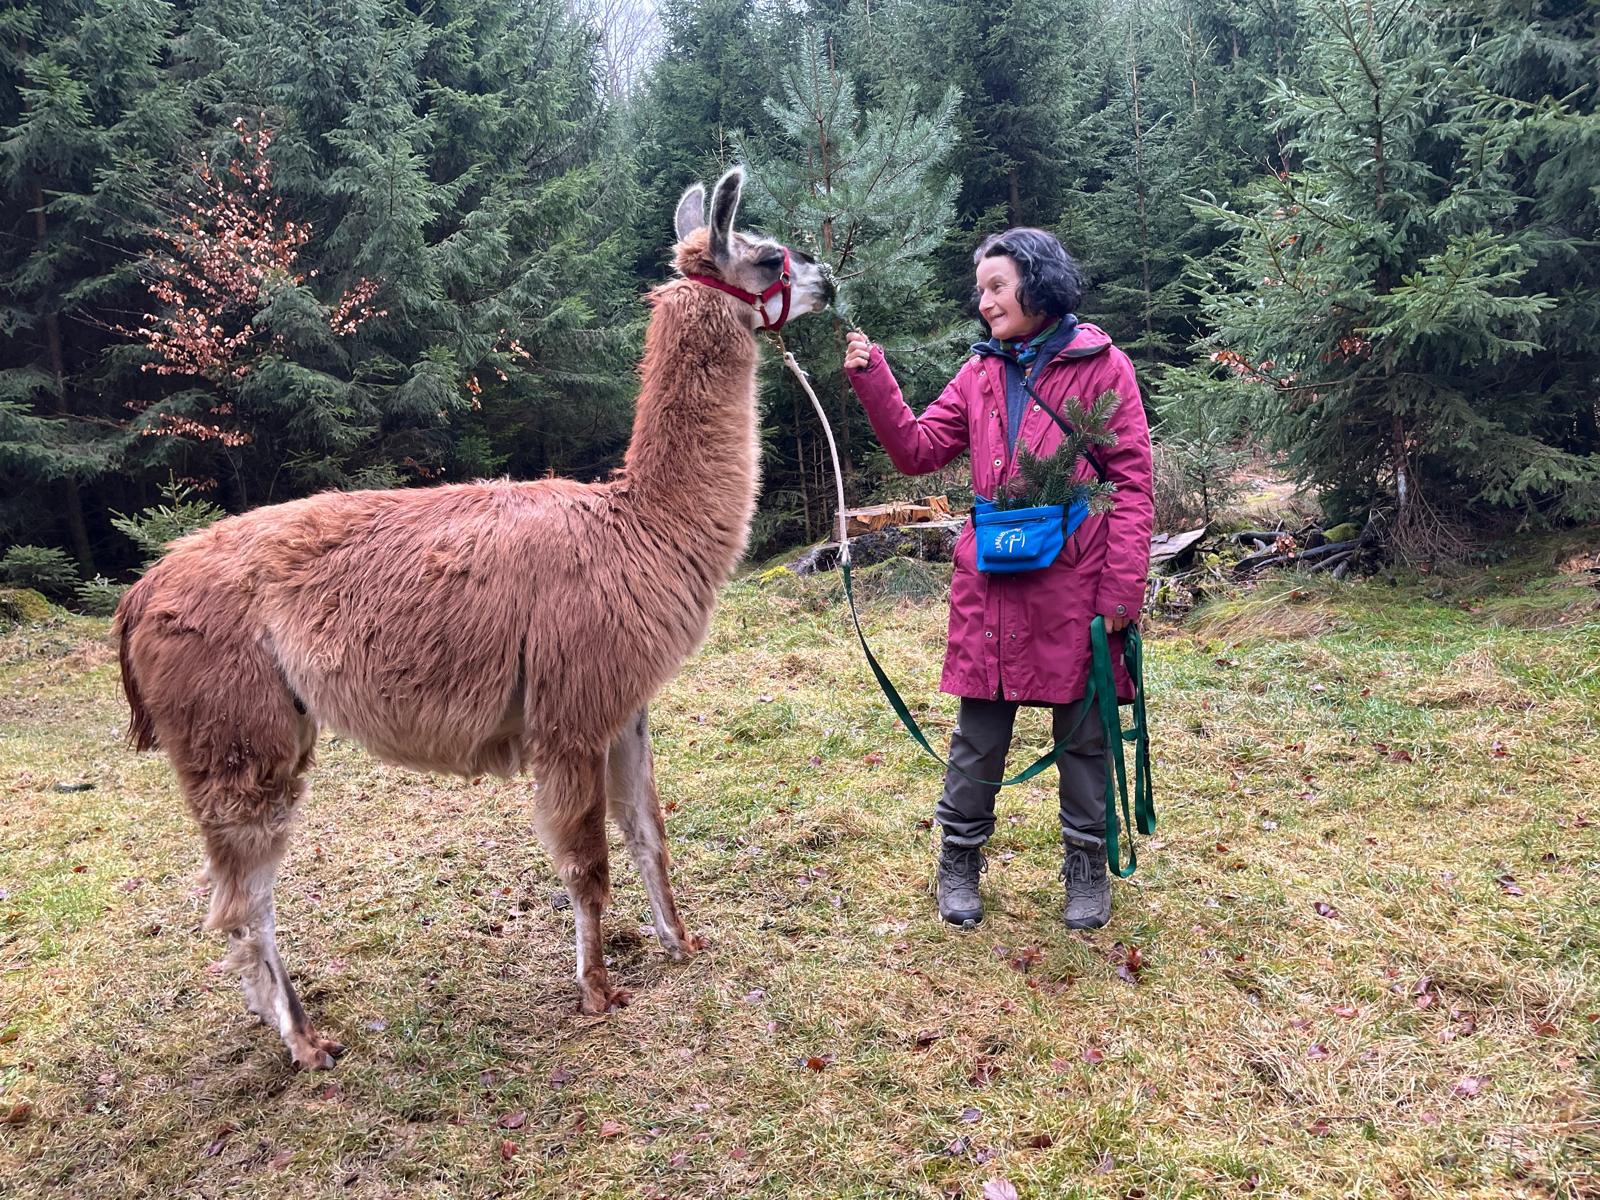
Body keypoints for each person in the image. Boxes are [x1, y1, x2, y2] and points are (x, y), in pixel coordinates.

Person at [842, 228, 1153, 930]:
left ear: (1037, 284)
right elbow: (918, 450)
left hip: (1076, 578)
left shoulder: (1103, 366)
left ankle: (1085, 866)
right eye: (980, 290)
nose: (984, 302)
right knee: (978, 733)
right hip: (992, 581)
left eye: (997, 287)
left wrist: (1121, 590)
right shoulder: (978, 373)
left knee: (1084, 732)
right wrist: (874, 377)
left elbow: (1132, 485)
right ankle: (958, 861)